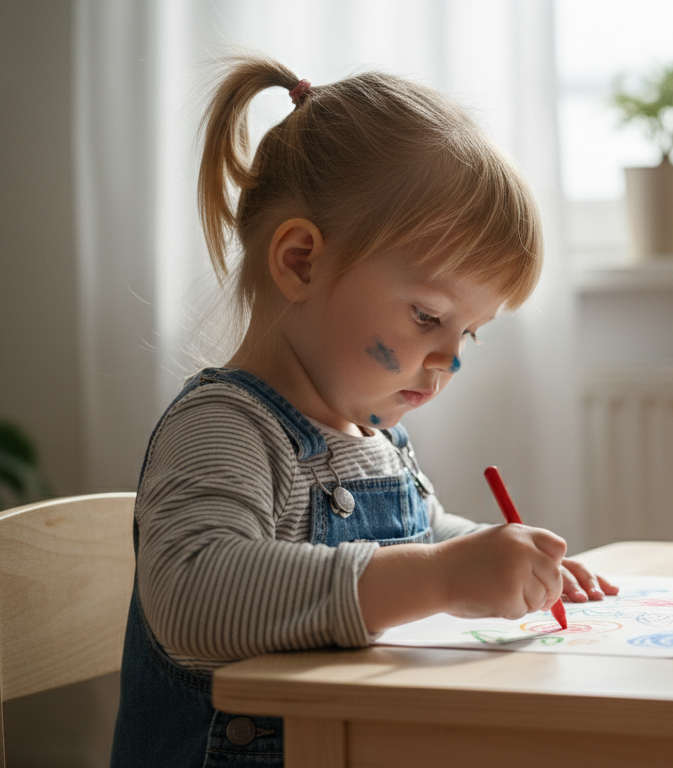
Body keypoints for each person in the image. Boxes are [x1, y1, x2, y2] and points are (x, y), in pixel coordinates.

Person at [110, 54, 616, 767]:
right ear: (301, 262)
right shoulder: (224, 428)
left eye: (468, 333)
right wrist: (444, 576)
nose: (450, 361)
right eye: (427, 316)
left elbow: (418, 537)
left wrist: (500, 559)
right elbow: (193, 593)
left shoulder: (371, 438)